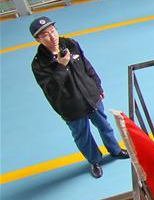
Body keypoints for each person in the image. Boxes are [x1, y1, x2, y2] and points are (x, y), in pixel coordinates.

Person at [30, 17, 129, 179]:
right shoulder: (39, 65)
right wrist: (61, 67)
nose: (53, 36)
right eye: (46, 35)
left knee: (104, 125)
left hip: (90, 96)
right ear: (38, 40)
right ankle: (95, 160)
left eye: (53, 31)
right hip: (71, 106)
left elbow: (86, 65)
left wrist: (97, 86)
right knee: (82, 135)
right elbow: (51, 89)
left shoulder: (70, 44)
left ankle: (115, 150)